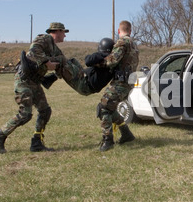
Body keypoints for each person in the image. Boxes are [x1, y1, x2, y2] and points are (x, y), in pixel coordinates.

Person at [0, 22, 69, 153]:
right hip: (24, 80)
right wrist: (47, 63)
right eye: (63, 32)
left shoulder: (54, 48)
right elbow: (34, 49)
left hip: (35, 82)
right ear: (57, 31)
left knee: (45, 111)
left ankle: (37, 142)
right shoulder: (44, 38)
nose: (65, 36)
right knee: (25, 114)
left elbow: (62, 60)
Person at [97, 20, 139, 151]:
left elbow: (112, 61)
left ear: (119, 31)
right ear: (130, 31)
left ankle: (108, 140)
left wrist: (97, 62)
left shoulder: (122, 42)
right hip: (128, 83)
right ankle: (127, 134)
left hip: (121, 82)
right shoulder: (134, 44)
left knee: (103, 107)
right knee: (111, 108)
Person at [41, 37, 115, 96]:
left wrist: (102, 54)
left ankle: (40, 67)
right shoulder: (109, 61)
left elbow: (88, 61)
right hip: (85, 79)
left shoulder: (106, 62)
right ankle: (51, 78)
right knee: (73, 61)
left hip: (85, 84)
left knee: (61, 61)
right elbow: (88, 60)